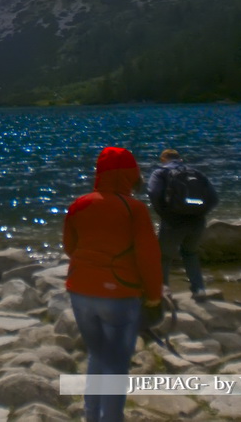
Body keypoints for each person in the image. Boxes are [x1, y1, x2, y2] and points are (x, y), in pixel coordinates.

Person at [63, 147, 163, 422]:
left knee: (98, 354)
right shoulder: (135, 210)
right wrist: (154, 297)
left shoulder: (79, 204)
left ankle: (91, 416)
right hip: (119, 295)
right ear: (130, 175)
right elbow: (149, 259)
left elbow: (70, 247)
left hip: (80, 291)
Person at [147, 149, 218, 299]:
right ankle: (199, 290)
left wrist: (165, 214)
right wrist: (200, 213)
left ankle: (163, 294)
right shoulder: (196, 173)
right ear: (180, 159)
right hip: (197, 222)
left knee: (163, 257)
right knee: (190, 253)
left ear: (163, 158)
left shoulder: (160, 173)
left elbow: (154, 194)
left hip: (173, 222)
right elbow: (214, 198)